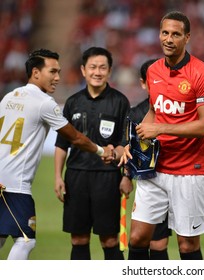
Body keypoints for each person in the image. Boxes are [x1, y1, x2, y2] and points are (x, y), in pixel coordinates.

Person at [120, 11, 204, 260]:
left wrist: (161, 129)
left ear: (187, 37)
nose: (169, 39)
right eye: (165, 33)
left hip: (189, 170)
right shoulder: (153, 71)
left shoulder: (202, 73)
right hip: (155, 169)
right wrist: (135, 144)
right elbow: (154, 111)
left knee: (187, 245)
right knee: (138, 238)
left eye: (176, 34)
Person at [0, 49, 112, 260]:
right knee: (26, 240)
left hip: (2, 176)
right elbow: (76, 138)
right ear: (35, 72)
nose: (58, 78)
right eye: (52, 72)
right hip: (15, 184)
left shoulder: (8, 97)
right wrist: (100, 150)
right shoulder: (44, 102)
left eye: (59, 72)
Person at [54, 47, 130, 260]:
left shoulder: (120, 102)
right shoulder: (72, 102)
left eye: (102, 68)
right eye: (93, 67)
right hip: (76, 177)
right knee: (78, 239)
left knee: (109, 240)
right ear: (83, 70)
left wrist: (125, 176)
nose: (97, 72)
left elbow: (125, 144)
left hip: (108, 178)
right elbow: (62, 143)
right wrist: (58, 176)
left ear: (110, 71)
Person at [124, 58, 172, 260]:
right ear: (143, 83)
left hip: (174, 176)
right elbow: (128, 149)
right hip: (147, 182)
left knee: (163, 242)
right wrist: (126, 175)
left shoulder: (175, 109)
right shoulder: (135, 113)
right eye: (152, 80)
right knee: (140, 238)